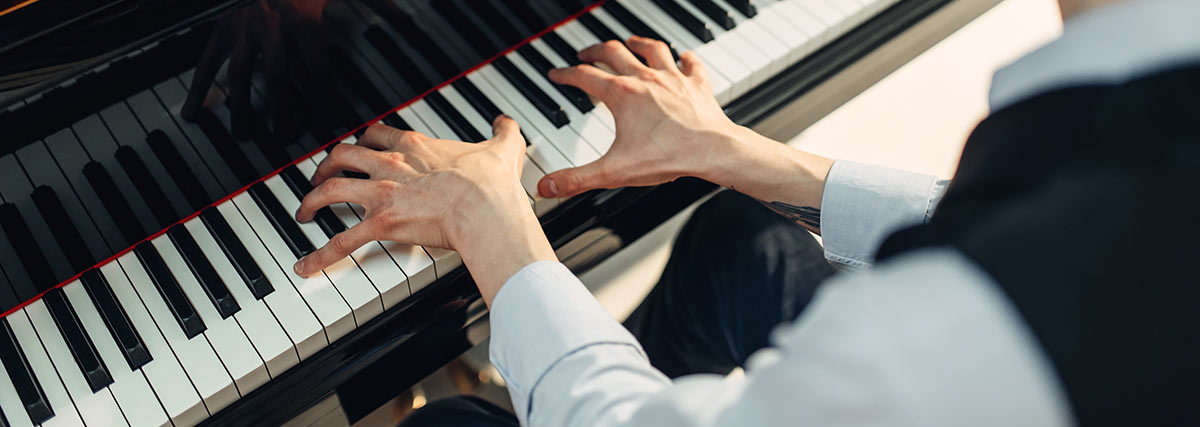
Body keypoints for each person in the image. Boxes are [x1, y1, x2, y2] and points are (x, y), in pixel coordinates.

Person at [292, 0, 1200, 425]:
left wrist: (494, 224)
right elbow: (1016, 225)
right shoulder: (1151, 137)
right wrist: (745, 157)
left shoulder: (989, 335)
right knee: (740, 238)